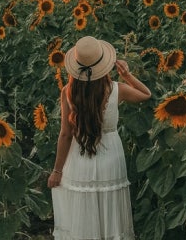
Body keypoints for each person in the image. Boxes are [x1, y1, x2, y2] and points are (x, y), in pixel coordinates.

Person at [47, 35, 151, 239]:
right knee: (109, 210)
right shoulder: (116, 89)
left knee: (83, 210)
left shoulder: (68, 91)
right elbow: (146, 94)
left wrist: (57, 171)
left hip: (79, 155)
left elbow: (66, 135)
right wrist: (127, 74)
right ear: (104, 65)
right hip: (111, 155)